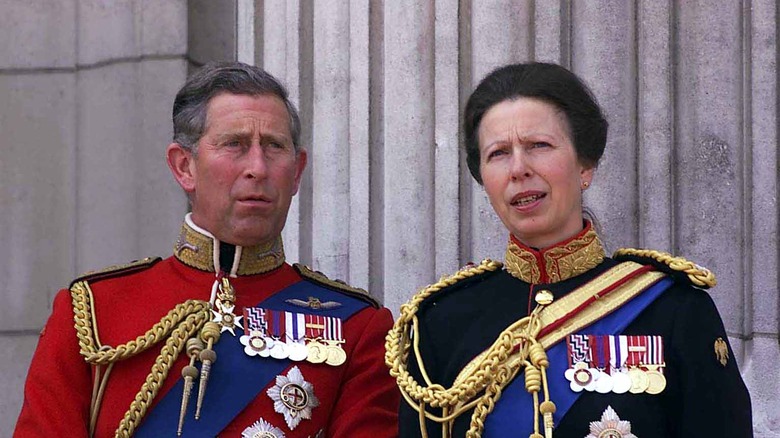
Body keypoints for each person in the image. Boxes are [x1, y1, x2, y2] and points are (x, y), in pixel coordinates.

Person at [16, 62, 398, 438]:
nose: (258, 168)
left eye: (274, 146)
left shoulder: (357, 327)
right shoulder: (93, 313)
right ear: (184, 166)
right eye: (235, 144)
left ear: (296, 172)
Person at [386, 62, 752, 437]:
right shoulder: (440, 321)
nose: (518, 168)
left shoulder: (671, 310)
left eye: (538, 146)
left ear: (585, 165)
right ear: (483, 178)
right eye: (498, 153)